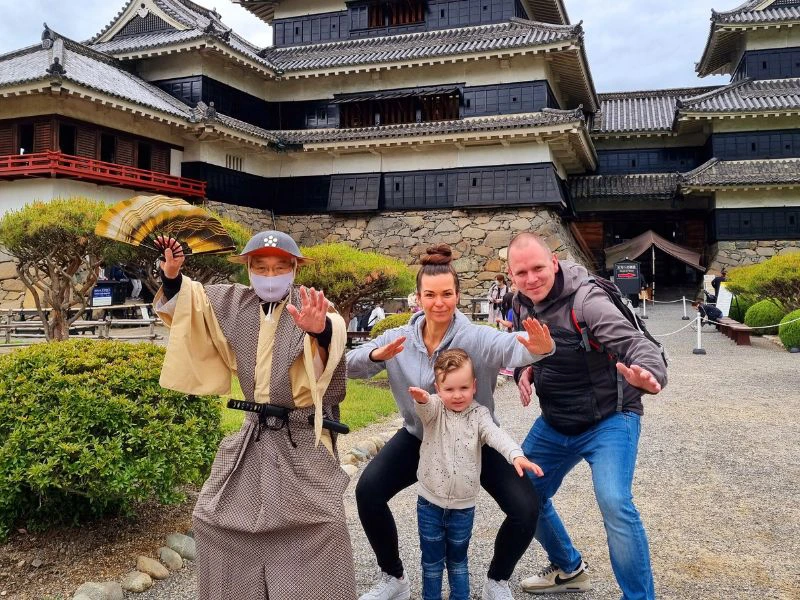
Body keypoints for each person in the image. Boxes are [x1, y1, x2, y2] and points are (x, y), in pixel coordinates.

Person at [153, 230, 356, 600]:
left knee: (323, 524)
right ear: (248, 268)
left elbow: (335, 332)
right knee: (212, 518)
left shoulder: (310, 304)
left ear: (294, 269)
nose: (270, 274)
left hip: (300, 437)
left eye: (280, 267)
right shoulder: (233, 302)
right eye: (260, 266)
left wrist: (320, 330)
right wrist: (171, 276)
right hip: (254, 434)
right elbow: (192, 301)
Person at [348, 244, 555, 600]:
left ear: (457, 295)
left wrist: (538, 348)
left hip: (474, 437)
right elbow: (351, 364)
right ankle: (394, 578)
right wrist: (374, 354)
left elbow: (509, 345)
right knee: (368, 492)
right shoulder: (399, 338)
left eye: (446, 294)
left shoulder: (473, 336)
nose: (439, 302)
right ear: (418, 297)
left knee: (526, 507)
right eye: (430, 294)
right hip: (418, 436)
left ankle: (497, 580)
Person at [507, 232, 667, 600]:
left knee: (615, 502)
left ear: (555, 262)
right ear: (511, 276)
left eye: (538, 268)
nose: (531, 279)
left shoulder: (587, 300)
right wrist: (523, 371)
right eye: (521, 272)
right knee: (520, 492)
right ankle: (568, 568)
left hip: (610, 417)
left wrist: (649, 373)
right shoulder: (521, 301)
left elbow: (635, 344)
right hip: (557, 419)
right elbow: (525, 346)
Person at [409, 348, 543, 600]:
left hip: (463, 506)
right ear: (438, 388)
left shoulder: (479, 414)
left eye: (463, 388)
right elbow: (425, 411)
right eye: (449, 389)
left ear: (474, 386)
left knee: (459, 562)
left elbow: (495, 434)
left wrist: (516, 454)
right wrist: (422, 400)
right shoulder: (436, 408)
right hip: (429, 503)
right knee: (431, 562)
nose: (457, 395)